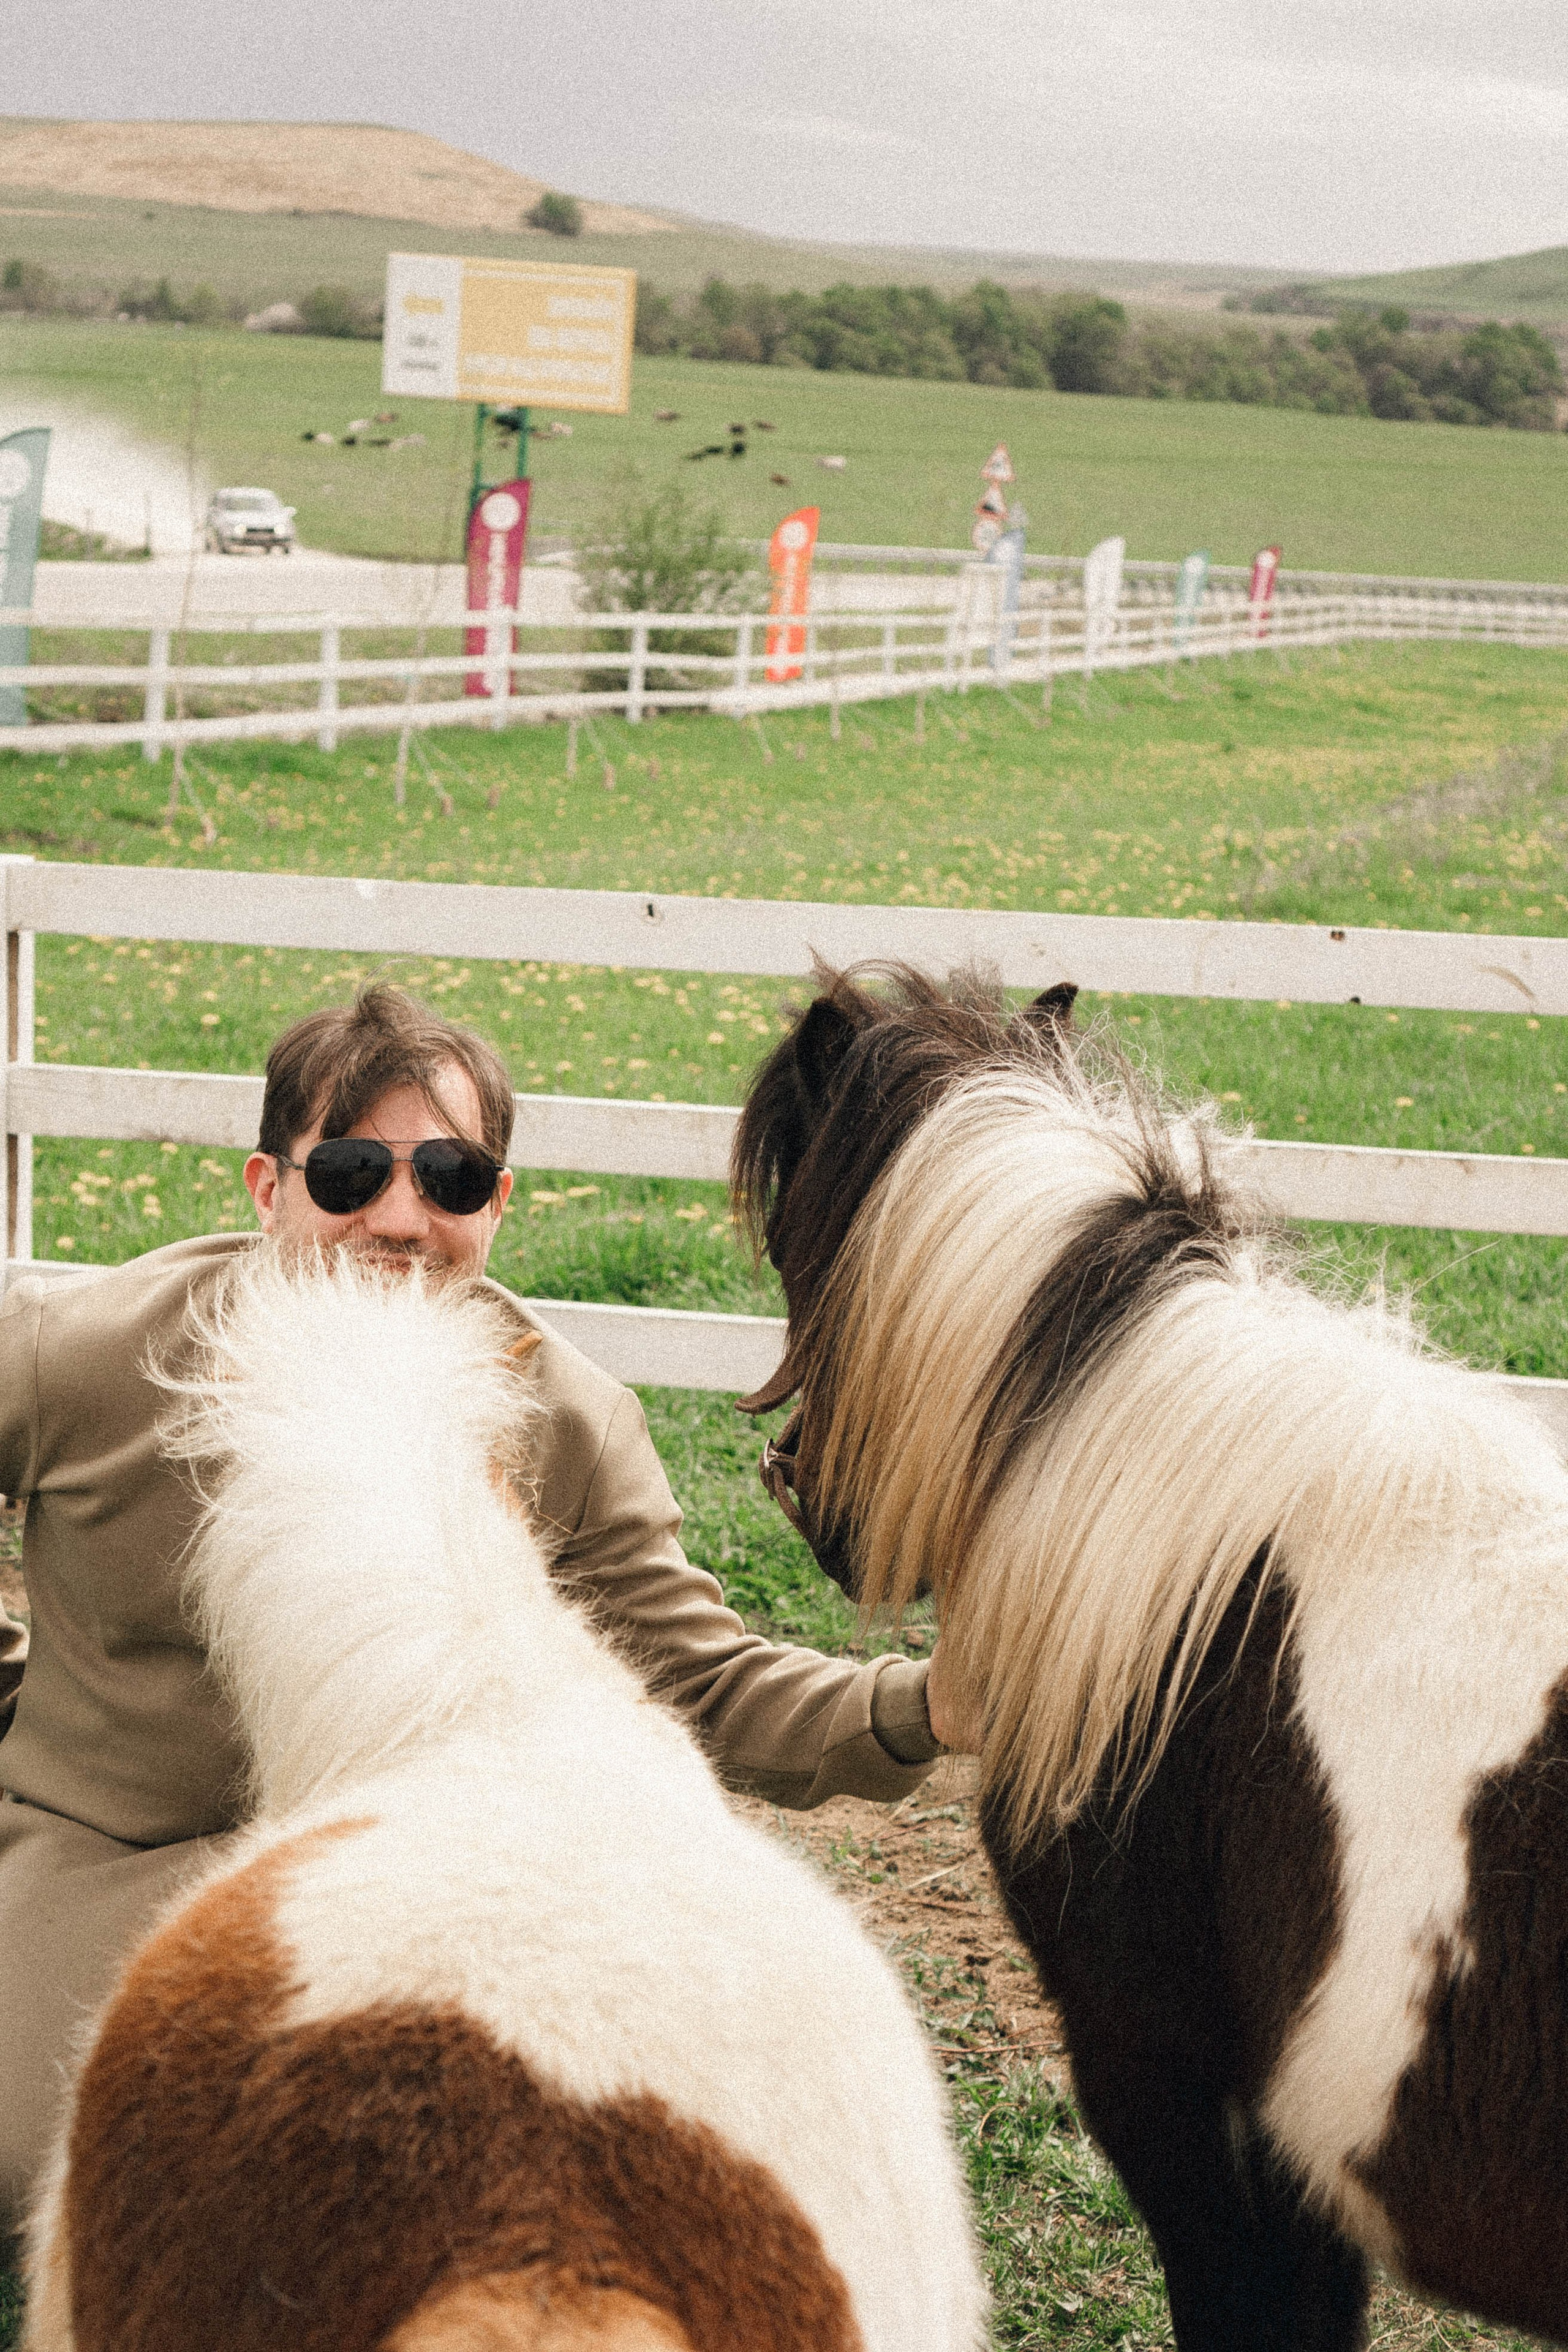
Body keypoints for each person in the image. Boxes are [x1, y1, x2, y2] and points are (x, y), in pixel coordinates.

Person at [0, 984, 949, 2239]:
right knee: (89, 2179)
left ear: (497, 1202)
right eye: (348, 1174)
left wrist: (924, 1704)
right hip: (110, 1854)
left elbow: (704, 1688)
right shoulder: (89, 1353)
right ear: (266, 1188)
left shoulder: (568, 1422)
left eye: (451, 1178)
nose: (401, 1218)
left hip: (422, 1872)